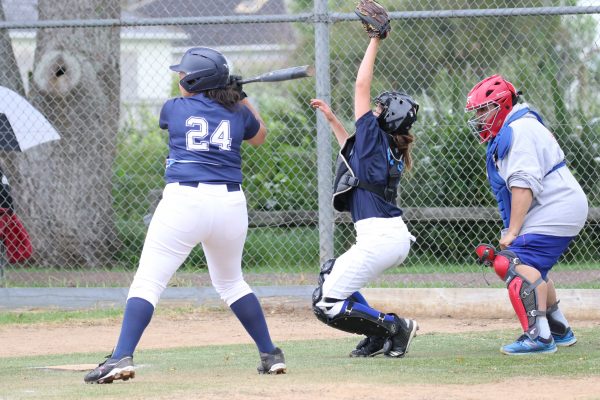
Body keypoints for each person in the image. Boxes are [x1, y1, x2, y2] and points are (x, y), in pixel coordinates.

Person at [84, 47, 286, 383]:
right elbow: (260, 135)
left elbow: (181, 117)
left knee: (148, 281)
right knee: (232, 282)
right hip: (230, 205)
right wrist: (241, 96)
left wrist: (233, 94)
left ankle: (121, 356)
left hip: (185, 201)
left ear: (194, 80)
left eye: (183, 74)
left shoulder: (174, 108)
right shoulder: (237, 111)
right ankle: (270, 353)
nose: (179, 79)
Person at [309, 34, 419, 358]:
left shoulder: (375, 135)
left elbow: (360, 85)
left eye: (378, 108)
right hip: (389, 236)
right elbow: (352, 154)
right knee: (330, 274)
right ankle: (377, 332)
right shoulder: (385, 147)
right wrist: (332, 120)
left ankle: (392, 327)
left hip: (379, 238)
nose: (373, 109)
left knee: (325, 303)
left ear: (385, 118)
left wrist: (375, 39)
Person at [467, 74, 589, 355]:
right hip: (558, 205)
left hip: (557, 206)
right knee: (531, 266)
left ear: (504, 104)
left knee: (511, 263)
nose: (480, 118)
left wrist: (512, 232)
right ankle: (558, 328)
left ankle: (539, 337)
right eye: (478, 112)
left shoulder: (519, 129)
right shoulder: (518, 126)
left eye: (485, 109)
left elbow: (523, 185)